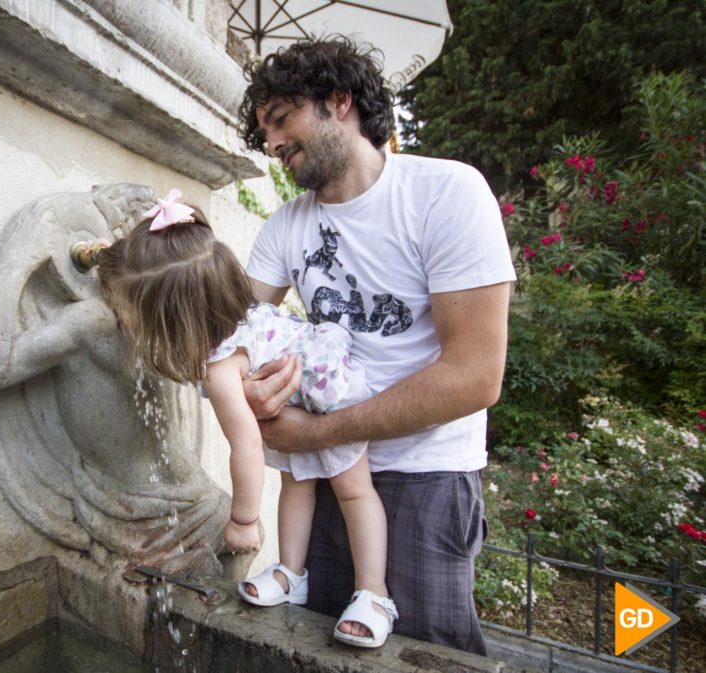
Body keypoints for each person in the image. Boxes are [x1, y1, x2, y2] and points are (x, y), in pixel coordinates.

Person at [235, 37, 517, 655]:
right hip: (328, 474)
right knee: (312, 647)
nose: (274, 144)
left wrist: (313, 433)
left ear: (340, 102)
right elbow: (230, 324)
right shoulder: (286, 225)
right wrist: (245, 390)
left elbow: (474, 377)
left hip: (426, 473)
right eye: (266, 135)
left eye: (282, 121)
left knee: (424, 656)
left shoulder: (447, 194)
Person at [96, 189, 398, 648]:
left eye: (128, 315)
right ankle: (291, 573)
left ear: (170, 322)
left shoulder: (221, 368)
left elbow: (247, 447)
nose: (122, 322)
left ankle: (374, 593)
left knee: (354, 492)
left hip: (330, 394)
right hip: (302, 393)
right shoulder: (234, 322)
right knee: (297, 483)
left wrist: (242, 520)